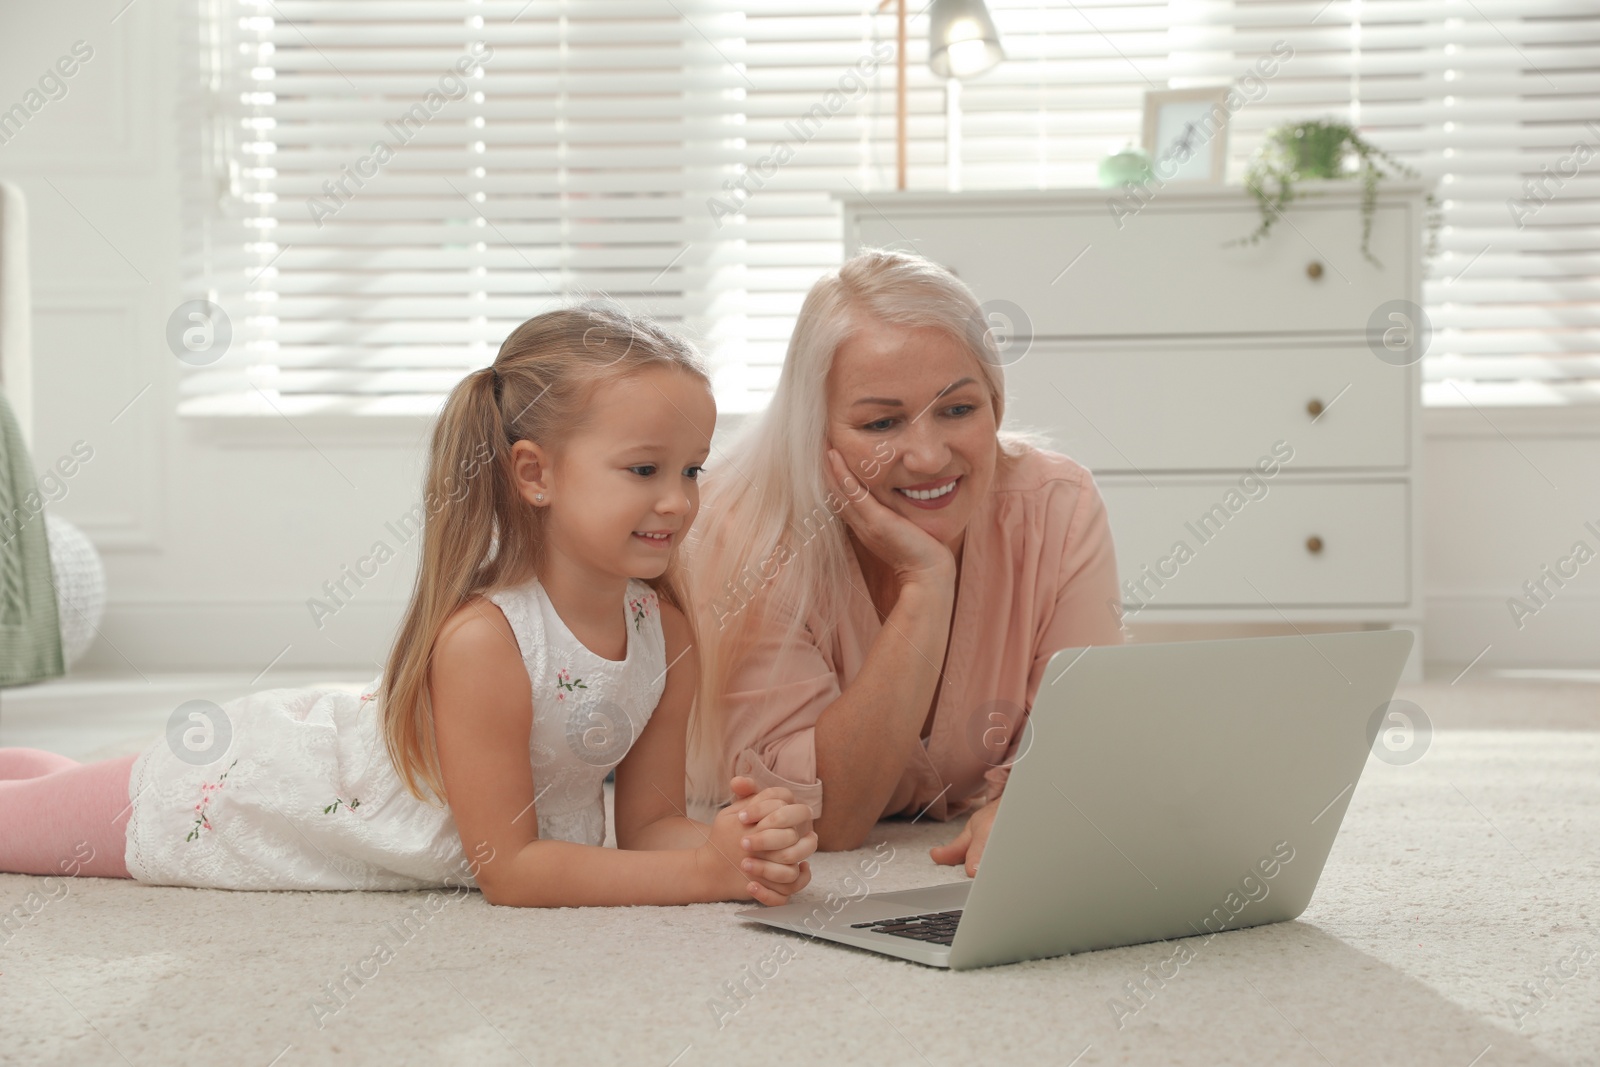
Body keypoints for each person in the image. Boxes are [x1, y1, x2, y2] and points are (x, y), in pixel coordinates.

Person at [0, 304, 815, 907]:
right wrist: (700, 875)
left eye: (693, 470)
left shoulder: (663, 630)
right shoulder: (487, 641)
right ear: (535, 474)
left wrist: (731, 846)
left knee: (47, 785)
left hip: (318, 777)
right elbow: (513, 870)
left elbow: (649, 827)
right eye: (644, 470)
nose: (677, 501)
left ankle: (43, 769)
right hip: (252, 795)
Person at [685, 249, 1123, 874]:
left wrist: (1030, 803)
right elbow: (829, 819)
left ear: (995, 404)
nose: (927, 456)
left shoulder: (1057, 504)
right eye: (882, 422)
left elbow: (1087, 734)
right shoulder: (748, 531)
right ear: (819, 431)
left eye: (958, 409)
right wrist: (925, 583)